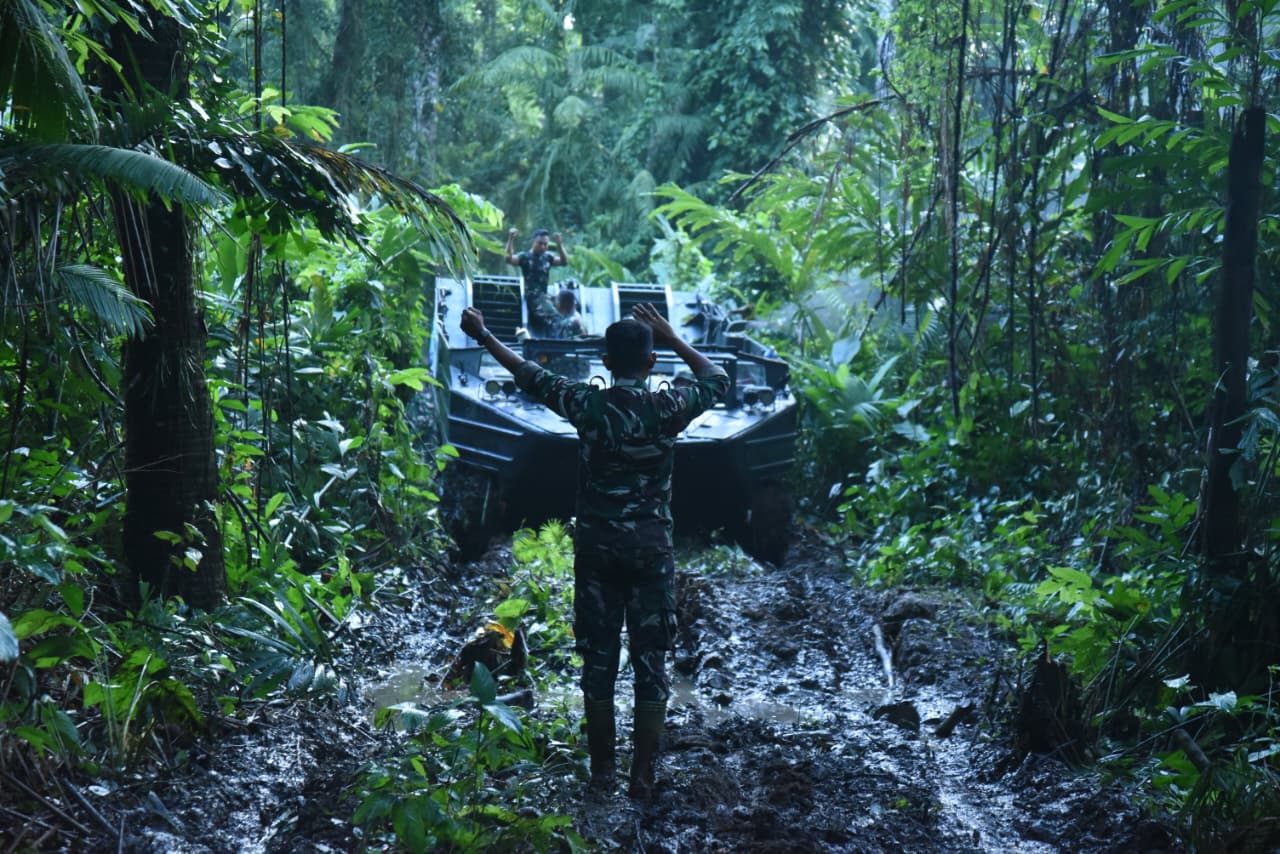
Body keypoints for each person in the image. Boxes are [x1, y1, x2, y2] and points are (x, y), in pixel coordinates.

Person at [458, 302, 729, 800]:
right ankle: (642, 775)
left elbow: (529, 374)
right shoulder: (667, 407)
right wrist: (670, 336)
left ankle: (603, 772)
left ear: (605, 362)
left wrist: (483, 336)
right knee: (652, 664)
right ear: (651, 363)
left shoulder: (588, 404)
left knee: (598, 662)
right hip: (651, 553)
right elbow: (717, 377)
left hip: (598, 554)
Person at [505, 227, 569, 338]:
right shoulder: (525, 257)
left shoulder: (547, 257)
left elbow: (564, 262)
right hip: (533, 297)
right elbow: (508, 259)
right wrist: (510, 239)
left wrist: (559, 244)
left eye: (546, 244)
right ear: (533, 242)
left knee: (563, 316)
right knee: (556, 319)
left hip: (544, 297)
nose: (543, 247)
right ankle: (557, 345)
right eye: (540, 243)